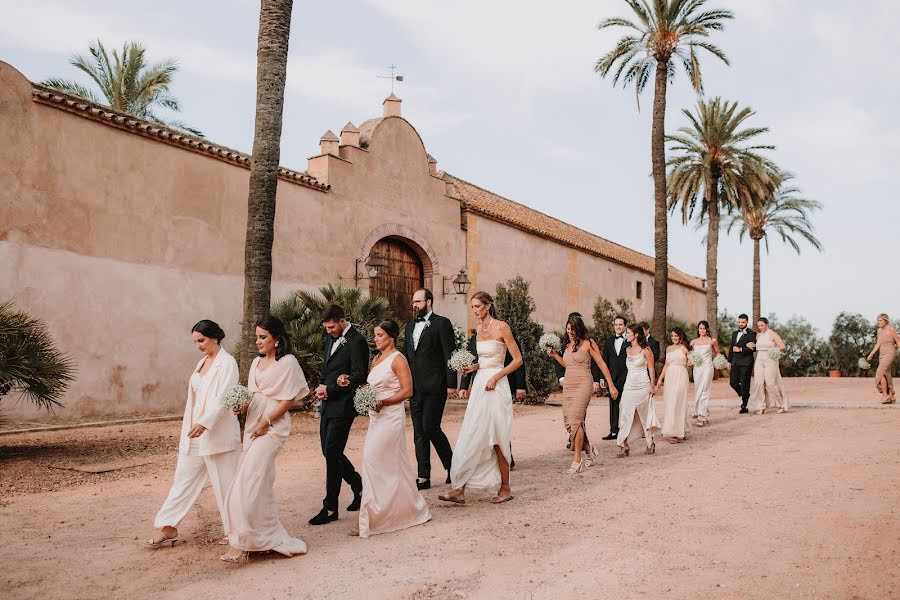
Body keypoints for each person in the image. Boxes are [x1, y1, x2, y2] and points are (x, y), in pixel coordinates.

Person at [221, 315, 310, 561]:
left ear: (277, 340)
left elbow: (289, 399)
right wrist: (242, 407)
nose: (258, 342)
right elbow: (253, 395)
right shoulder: (254, 364)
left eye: (263, 337)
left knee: (248, 481)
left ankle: (241, 541)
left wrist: (266, 422)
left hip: (273, 427)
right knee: (260, 483)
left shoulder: (288, 363)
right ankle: (261, 536)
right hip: (253, 424)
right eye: (257, 337)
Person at [147, 320, 241, 548]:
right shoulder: (202, 363)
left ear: (215, 338)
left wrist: (205, 422)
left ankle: (236, 531)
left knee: (226, 484)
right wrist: (195, 423)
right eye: (195, 342)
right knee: (183, 479)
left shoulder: (227, 363)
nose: (198, 345)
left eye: (201, 340)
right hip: (194, 433)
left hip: (217, 434)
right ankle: (168, 527)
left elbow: (225, 397)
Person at [438, 291, 521, 505]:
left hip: (496, 385)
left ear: (487, 305)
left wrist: (496, 377)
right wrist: (472, 367)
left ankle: (505, 488)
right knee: (472, 432)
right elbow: (483, 361)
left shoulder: (501, 327)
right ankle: (459, 489)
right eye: (472, 307)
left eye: (477, 306)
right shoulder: (478, 330)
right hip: (480, 386)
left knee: (496, 436)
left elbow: (517, 360)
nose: (474, 310)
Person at [354, 320, 431, 538]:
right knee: (383, 464)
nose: (375, 339)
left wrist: (384, 402)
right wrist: (364, 396)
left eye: (379, 335)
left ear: (391, 337)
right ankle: (385, 514)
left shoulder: (398, 359)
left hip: (391, 417)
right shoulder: (376, 359)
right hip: (375, 418)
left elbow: (408, 391)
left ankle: (380, 515)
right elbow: (372, 386)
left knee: (373, 460)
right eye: (375, 335)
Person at [309, 304, 368, 526]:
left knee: (332, 452)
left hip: (344, 406)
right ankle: (357, 484)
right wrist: (321, 386)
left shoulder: (357, 341)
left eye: (331, 327)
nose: (328, 331)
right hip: (327, 404)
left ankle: (330, 508)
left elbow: (359, 375)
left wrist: (332, 389)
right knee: (328, 452)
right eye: (326, 327)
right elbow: (327, 369)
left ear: (342, 320)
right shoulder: (330, 339)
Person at [547, 315, 618, 473]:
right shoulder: (567, 345)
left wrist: (611, 385)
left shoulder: (588, 343)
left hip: (583, 383)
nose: (570, 332)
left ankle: (577, 460)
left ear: (579, 328)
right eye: (568, 329)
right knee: (569, 422)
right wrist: (555, 356)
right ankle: (589, 450)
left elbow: (601, 363)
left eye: (573, 329)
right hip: (569, 385)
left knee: (576, 420)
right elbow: (568, 364)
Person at [404, 289, 457, 490]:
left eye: (418, 301)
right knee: (419, 432)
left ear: (429, 301)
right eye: (413, 301)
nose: (414, 304)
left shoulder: (442, 323)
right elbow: (405, 356)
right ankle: (423, 477)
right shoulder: (409, 326)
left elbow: (449, 355)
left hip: (435, 386)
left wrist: (451, 384)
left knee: (430, 427)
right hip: (414, 389)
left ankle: (452, 466)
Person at [459, 328, 526, 469]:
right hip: (480, 384)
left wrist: (521, 386)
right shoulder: (474, 339)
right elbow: (470, 361)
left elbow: (518, 361)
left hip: (500, 381)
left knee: (498, 421)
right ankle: (485, 459)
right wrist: (464, 385)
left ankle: (506, 457)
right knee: (480, 421)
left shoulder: (503, 331)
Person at [616, 324, 661, 457]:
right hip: (629, 386)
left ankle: (649, 443)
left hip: (643, 386)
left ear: (636, 334)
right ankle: (624, 445)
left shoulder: (646, 350)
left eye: (628, 332)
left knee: (644, 416)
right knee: (624, 414)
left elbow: (651, 369)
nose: (626, 335)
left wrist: (652, 387)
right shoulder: (627, 350)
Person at [747, 318, 789, 414]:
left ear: (767, 324)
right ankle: (761, 406)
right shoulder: (758, 336)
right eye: (759, 326)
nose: (760, 327)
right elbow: (755, 346)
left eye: (762, 325)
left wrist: (774, 352)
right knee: (759, 383)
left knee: (770, 383)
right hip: (759, 359)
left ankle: (781, 404)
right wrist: (749, 345)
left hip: (770, 359)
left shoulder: (773, 334)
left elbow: (782, 346)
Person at [657, 328, 691, 441]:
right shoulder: (668, 348)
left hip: (681, 375)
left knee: (678, 401)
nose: (674, 338)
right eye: (672, 336)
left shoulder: (685, 348)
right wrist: (660, 379)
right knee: (670, 401)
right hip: (670, 376)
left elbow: (690, 364)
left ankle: (676, 432)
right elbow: (666, 365)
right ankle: (674, 429)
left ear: (680, 336)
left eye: (676, 336)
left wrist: (693, 361)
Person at [600, 316, 630, 440]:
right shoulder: (608, 341)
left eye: (621, 324)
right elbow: (604, 361)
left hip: (628, 377)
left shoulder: (630, 341)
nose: (618, 327)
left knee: (628, 404)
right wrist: (602, 378)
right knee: (613, 405)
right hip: (612, 379)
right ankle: (613, 431)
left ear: (625, 326)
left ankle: (629, 430)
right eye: (616, 325)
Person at [690, 321, 719, 427]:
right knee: (698, 389)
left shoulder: (712, 341)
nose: (702, 330)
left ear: (707, 329)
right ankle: (704, 414)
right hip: (697, 368)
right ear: (698, 330)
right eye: (700, 328)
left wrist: (719, 364)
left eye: (704, 328)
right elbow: (689, 354)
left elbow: (718, 353)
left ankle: (701, 416)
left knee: (705, 390)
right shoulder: (693, 342)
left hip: (707, 367)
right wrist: (691, 361)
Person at [867, 313, 900, 404]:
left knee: (880, 373)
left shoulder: (891, 330)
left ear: (886, 320)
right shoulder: (879, 331)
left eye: (880, 320)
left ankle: (885, 396)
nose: (879, 322)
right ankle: (891, 396)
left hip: (890, 353)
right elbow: (878, 343)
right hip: (882, 354)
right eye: (878, 320)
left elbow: (898, 341)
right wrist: (871, 354)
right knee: (886, 373)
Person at [729, 314, 757, 414]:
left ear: (746, 322)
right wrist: (729, 361)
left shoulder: (751, 334)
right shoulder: (734, 333)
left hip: (746, 363)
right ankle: (745, 394)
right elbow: (731, 348)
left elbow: (753, 348)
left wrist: (741, 349)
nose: (740, 324)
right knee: (733, 382)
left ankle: (744, 406)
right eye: (739, 322)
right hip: (735, 362)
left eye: (743, 322)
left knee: (745, 384)